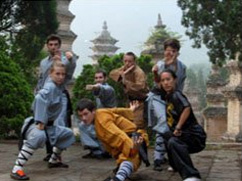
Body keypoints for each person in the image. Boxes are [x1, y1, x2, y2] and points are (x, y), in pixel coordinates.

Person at [10, 62, 76, 180]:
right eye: (57, 74)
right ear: (51, 74)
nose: (61, 77)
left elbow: (69, 74)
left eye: (63, 74)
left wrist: (71, 61)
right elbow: (39, 98)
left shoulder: (59, 86)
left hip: (50, 127)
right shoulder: (50, 87)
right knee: (39, 137)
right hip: (36, 124)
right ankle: (17, 168)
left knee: (67, 134)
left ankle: (54, 160)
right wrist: (41, 121)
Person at [76, 98, 150, 181]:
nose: (84, 118)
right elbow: (116, 110)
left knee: (129, 159)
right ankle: (121, 171)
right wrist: (129, 110)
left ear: (93, 111)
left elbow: (120, 136)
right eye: (81, 115)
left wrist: (132, 149)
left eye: (86, 114)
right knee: (125, 160)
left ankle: (119, 177)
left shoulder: (102, 122)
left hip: (134, 141)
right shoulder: (100, 112)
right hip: (134, 138)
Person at [146, 38, 187, 171]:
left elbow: (178, 85)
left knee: (169, 126)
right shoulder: (160, 65)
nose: (170, 54)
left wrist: (173, 64)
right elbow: (158, 84)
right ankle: (159, 158)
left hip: (172, 99)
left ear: (177, 52)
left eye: (173, 51)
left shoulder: (182, 67)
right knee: (163, 121)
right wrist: (155, 72)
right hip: (158, 96)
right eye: (167, 51)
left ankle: (161, 157)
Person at [159, 69, 206, 181]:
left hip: (194, 135)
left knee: (173, 141)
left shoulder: (176, 95)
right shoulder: (168, 96)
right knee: (166, 135)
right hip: (184, 134)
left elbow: (186, 108)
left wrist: (178, 126)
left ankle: (191, 175)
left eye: (168, 79)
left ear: (175, 80)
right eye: (163, 80)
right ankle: (175, 164)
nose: (166, 83)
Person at [35, 34, 76, 161]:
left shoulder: (64, 60)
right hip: (45, 96)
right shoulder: (44, 62)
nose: (53, 47)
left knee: (60, 123)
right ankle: (49, 152)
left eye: (56, 45)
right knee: (45, 123)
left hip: (59, 96)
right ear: (47, 46)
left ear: (59, 46)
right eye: (51, 45)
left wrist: (70, 59)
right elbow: (44, 76)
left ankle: (57, 155)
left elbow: (70, 70)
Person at [79, 69, 116, 159]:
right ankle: (95, 149)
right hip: (99, 116)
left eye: (100, 77)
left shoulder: (109, 89)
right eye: (96, 78)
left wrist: (97, 87)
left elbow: (103, 89)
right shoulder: (97, 89)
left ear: (105, 78)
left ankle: (103, 150)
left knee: (95, 130)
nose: (98, 79)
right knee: (82, 125)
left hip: (109, 118)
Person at [109, 52, 149, 130]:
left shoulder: (139, 72)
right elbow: (112, 74)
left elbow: (140, 87)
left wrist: (126, 82)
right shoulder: (124, 68)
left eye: (130, 61)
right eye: (125, 61)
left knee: (137, 125)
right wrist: (123, 73)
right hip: (129, 101)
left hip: (139, 102)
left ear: (134, 62)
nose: (127, 63)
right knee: (127, 124)